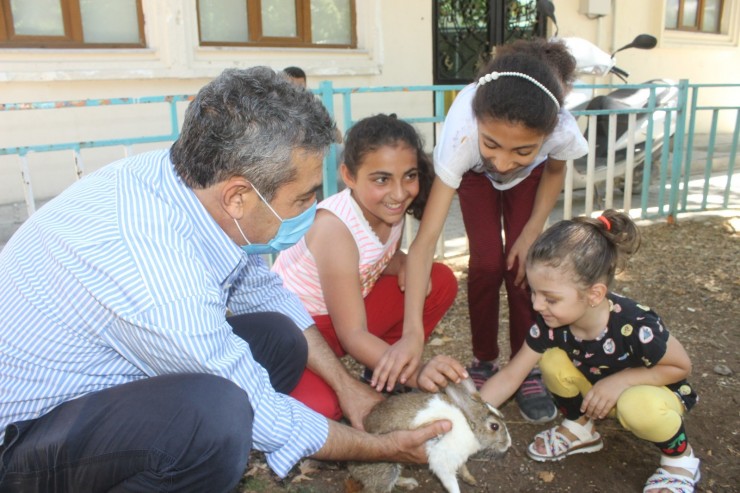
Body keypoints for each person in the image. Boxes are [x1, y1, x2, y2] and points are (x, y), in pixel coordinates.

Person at [0, 67, 452, 493]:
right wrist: (383, 447)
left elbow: (264, 290)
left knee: (280, 336)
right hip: (28, 437)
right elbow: (261, 411)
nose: (315, 209)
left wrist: (346, 385)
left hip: (104, 376)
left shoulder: (186, 181)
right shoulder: (162, 278)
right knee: (216, 419)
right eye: (303, 197)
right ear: (238, 196)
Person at [398, 39, 588, 422]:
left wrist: (532, 229)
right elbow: (424, 244)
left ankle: (527, 363)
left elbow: (553, 169)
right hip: (473, 177)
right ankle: (484, 358)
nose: (502, 163)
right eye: (494, 144)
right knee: (487, 264)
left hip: (530, 183)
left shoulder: (560, 128)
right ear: (479, 126)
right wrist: (411, 331)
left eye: (522, 150)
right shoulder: (463, 137)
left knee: (524, 266)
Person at [473, 209, 700, 493]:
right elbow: (510, 376)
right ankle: (581, 428)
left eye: (550, 298)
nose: (537, 305)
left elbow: (681, 367)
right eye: (533, 292)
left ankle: (680, 459)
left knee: (636, 405)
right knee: (553, 360)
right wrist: (465, 415)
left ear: (594, 294)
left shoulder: (636, 324)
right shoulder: (550, 324)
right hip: (597, 395)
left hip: (653, 395)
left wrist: (621, 381)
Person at [272, 114, 459, 419]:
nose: (399, 194)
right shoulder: (334, 229)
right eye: (382, 179)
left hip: (344, 315)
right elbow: (353, 334)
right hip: (300, 332)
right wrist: (418, 373)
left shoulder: (387, 212)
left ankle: (381, 373)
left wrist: (403, 264)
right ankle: (271, 390)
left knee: (436, 280)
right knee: (324, 410)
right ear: (349, 176)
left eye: (409, 176)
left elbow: (377, 261)